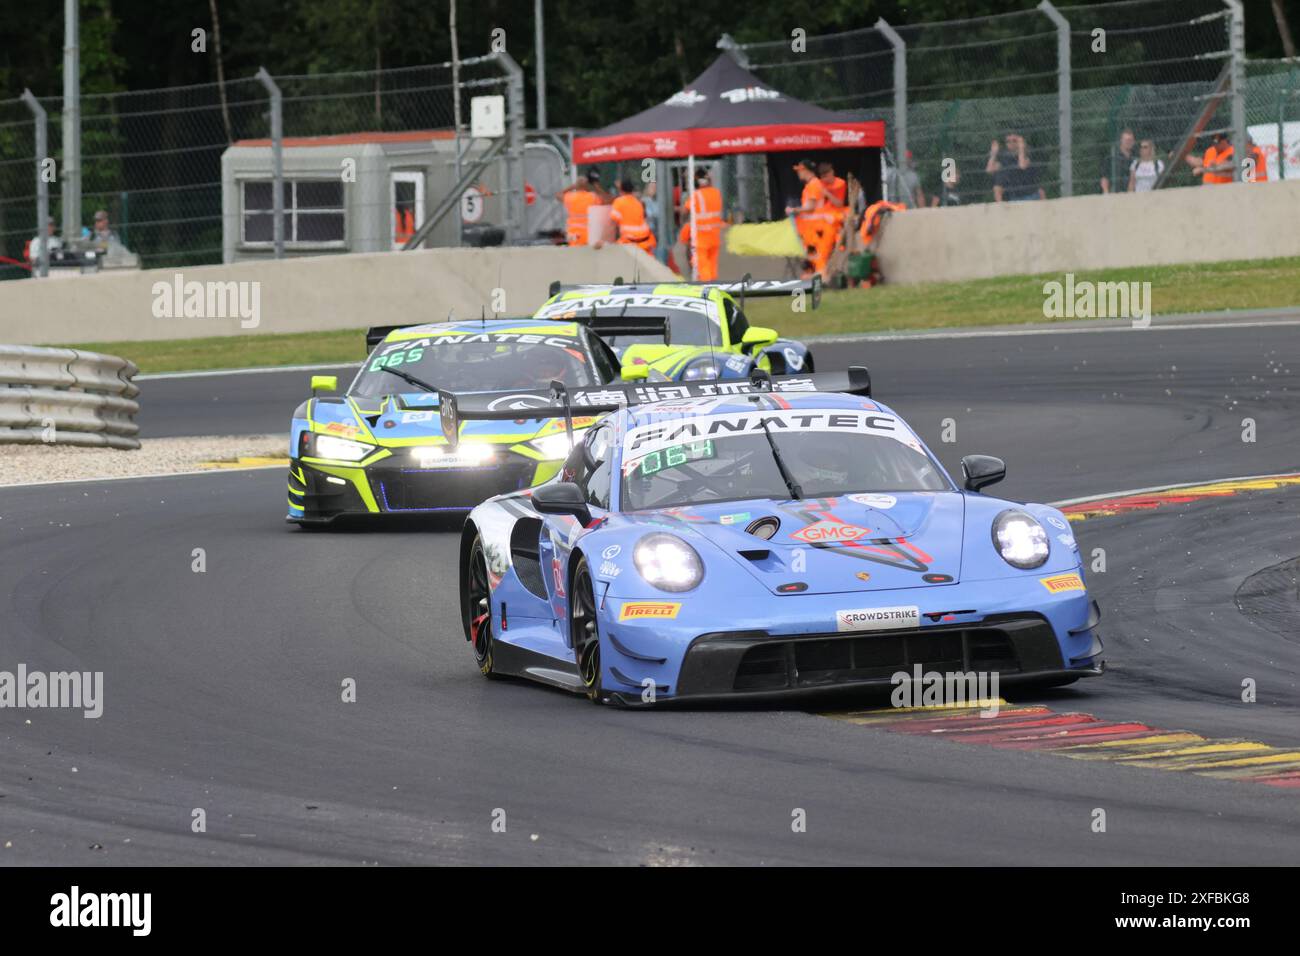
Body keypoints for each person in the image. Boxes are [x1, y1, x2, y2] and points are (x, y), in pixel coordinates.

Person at [678, 166, 723, 281]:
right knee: (713, 266)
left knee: (702, 268)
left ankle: (707, 288)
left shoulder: (696, 195)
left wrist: (684, 223)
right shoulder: (716, 193)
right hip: (714, 237)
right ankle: (715, 286)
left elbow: (684, 212)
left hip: (701, 238)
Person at [785, 159, 827, 279]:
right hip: (810, 229)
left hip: (815, 228)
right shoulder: (811, 185)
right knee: (811, 256)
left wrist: (794, 210)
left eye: (800, 170)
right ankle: (814, 276)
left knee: (816, 256)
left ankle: (821, 278)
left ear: (806, 170)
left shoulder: (814, 184)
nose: (798, 173)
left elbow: (811, 207)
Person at [987, 133, 1044, 202]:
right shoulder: (1005, 157)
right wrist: (994, 153)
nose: (1011, 143)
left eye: (1014, 140)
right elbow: (989, 170)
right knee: (997, 186)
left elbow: (1022, 165)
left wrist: (1021, 147)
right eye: (1008, 141)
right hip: (1014, 197)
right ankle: (1001, 209)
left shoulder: (1027, 153)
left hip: (1030, 195)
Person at [557, 171, 609, 246]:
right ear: (587, 185)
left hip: (573, 233)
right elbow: (607, 199)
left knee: (574, 253)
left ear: (576, 185)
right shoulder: (592, 197)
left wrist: (572, 186)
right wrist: (596, 188)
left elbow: (558, 195)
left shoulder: (570, 197)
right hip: (587, 233)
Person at [610, 179, 656, 254]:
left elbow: (613, 221)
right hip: (646, 240)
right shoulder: (638, 203)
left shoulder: (618, 202)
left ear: (621, 190)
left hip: (630, 240)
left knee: (614, 251)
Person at [1101, 128, 1136, 194]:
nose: (1129, 142)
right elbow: (1105, 178)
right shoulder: (1111, 158)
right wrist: (1106, 193)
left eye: (1131, 140)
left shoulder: (1136, 160)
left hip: (1132, 196)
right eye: (1126, 140)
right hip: (1115, 195)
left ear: (1134, 142)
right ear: (1121, 140)